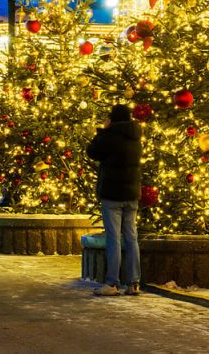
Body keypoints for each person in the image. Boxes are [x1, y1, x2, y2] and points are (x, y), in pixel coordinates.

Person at [86, 104, 143, 296]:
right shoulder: (136, 136)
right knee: (131, 237)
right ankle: (133, 282)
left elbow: (92, 151)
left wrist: (103, 130)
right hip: (132, 193)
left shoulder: (110, 136)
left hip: (112, 193)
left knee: (113, 239)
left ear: (113, 119)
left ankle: (112, 283)